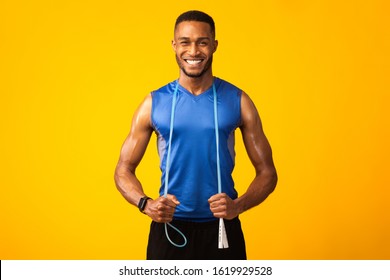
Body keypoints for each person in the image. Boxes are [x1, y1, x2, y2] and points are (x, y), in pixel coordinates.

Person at [114, 10, 277, 260]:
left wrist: (238, 206)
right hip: (170, 228)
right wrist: (146, 204)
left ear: (214, 45)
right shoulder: (154, 103)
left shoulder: (238, 100)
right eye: (185, 42)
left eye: (202, 42)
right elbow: (123, 169)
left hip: (223, 228)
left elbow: (268, 172)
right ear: (174, 46)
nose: (193, 51)